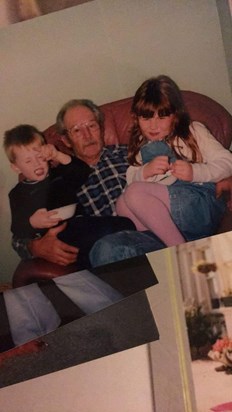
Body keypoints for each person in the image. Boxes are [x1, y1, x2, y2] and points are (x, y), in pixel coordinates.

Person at [116, 75, 232, 247]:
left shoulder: (193, 131)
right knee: (122, 205)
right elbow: (132, 178)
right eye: (146, 118)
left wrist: (195, 172)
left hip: (197, 200)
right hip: (171, 216)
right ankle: (171, 240)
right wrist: (144, 171)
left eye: (162, 117)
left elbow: (227, 161)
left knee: (133, 193)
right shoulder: (142, 144)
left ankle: (179, 249)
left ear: (175, 115)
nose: (153, 126)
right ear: (136, 118)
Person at [4, 124, 135, 269]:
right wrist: (32, 222)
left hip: (81, 225)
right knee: (118, 227)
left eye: (40, 157)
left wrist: (57, 155)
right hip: (55, 236)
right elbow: (17, 227)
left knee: (123, 225)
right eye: (28, 161)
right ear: (16, 167)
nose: (37, 164)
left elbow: (82, 172)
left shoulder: (59, 175)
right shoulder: (18, 193)